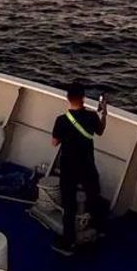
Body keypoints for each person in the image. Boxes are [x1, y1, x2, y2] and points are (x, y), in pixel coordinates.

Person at [50, 81, 108, 255]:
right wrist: (104, 113)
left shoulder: (61, 121)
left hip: (68, 167)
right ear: (83, 98)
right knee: (93, 196)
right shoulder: (91, 117)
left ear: (68, 99)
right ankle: (99, 229)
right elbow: (101, 131)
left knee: (69, 205)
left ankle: (68, 242)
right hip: (87, 165)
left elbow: (54, 143)